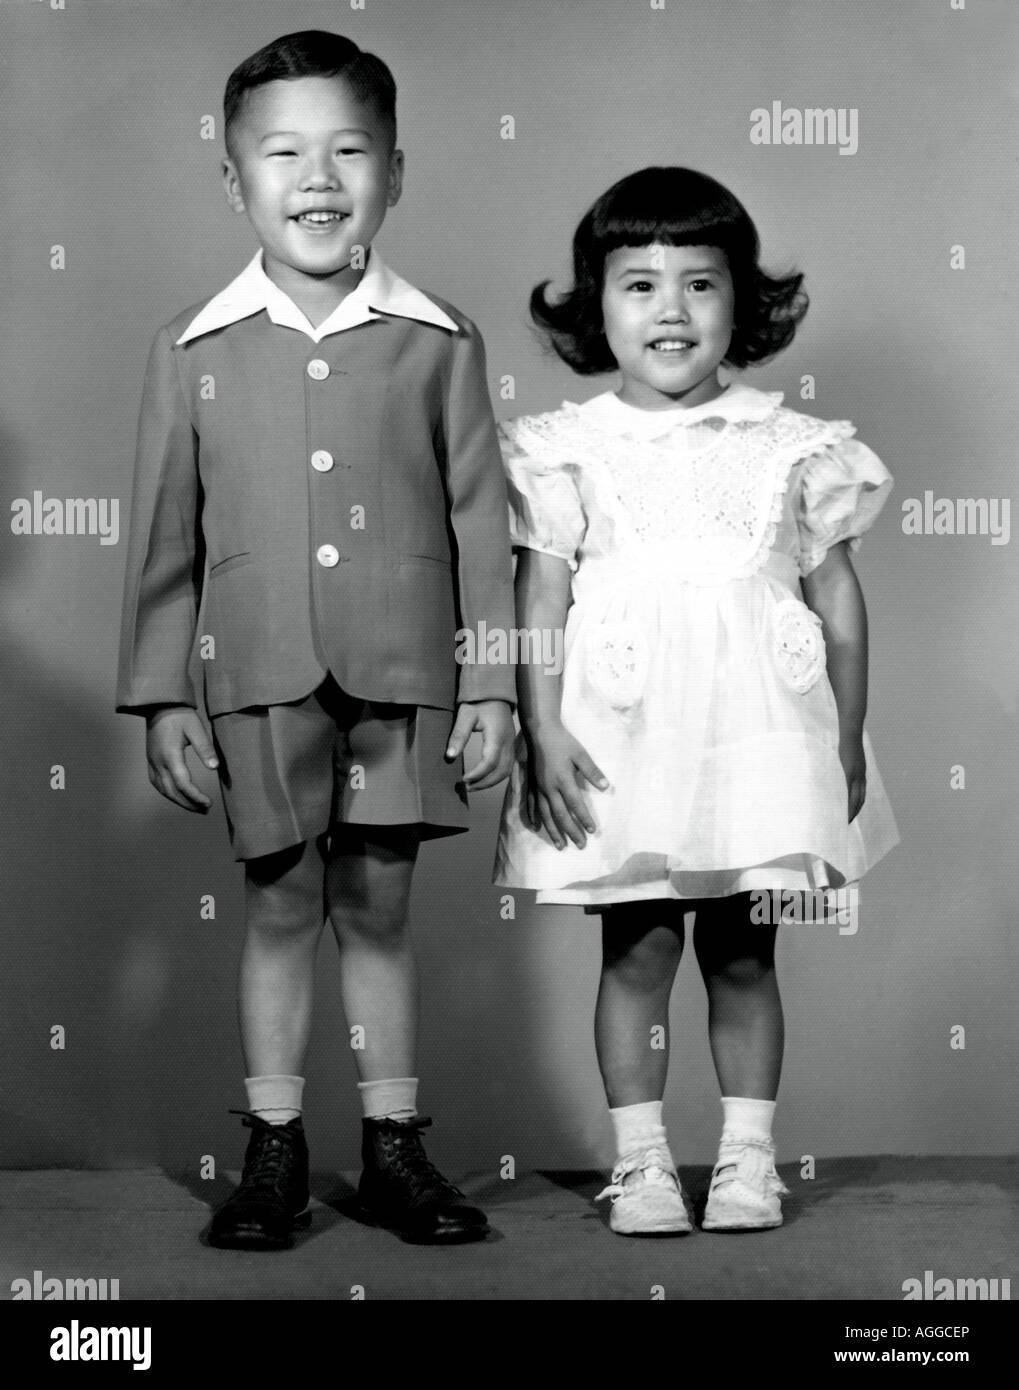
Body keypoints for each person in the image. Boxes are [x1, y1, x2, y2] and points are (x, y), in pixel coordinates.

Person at [116, 30, 516, 1249]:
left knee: (380, 903)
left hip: (405, 669)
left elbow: (480, 519)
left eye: (350, 150)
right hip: (255, 672)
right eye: (282, 152)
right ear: (232, 179)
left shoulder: (440, 336)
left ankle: (395, 1150)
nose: (319, 177)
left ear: (396, 172)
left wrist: (491, 681)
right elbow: (161, 540)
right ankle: (273, 1155)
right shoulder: (191, 346)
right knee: (281, 905)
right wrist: (160, 696)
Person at [494, 166, 899, 1236]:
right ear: (594, 306)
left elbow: (838, 600)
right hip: (621, 730)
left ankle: (745, 1160)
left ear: (741, 304)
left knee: (741, 945)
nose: (669, 310)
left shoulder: (793, 444)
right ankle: (639, 1164)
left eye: (699, 284)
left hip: (756, 733)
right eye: (638, 284)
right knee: (633, 946)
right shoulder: (559, 445)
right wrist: (539, 725)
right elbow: (536, 591)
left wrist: (845, 739)